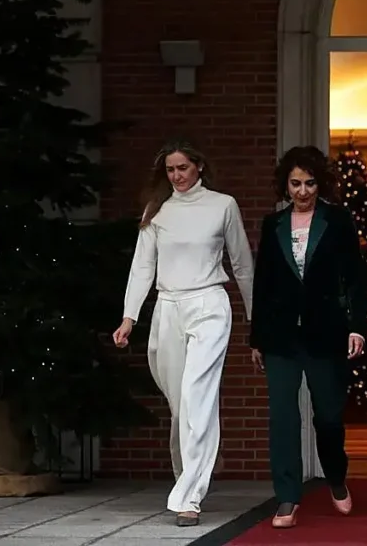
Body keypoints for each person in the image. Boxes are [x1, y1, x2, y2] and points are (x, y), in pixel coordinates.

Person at [112, 138, 254, 527]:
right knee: (180, 404)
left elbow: (241, 264)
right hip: (167, 307)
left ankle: (190, 495)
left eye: (183, 168)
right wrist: (129, 317)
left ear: (199, 167)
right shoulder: (157, 211)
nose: (176, 176)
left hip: (209, 303)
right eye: (171, 170)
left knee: (196, 394)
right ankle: (189, 470)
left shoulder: (222, 205)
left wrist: (253, 317)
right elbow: (142, 266)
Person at [249, 146, 367, 529]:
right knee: (283, 416)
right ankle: (287, 497)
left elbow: (355, 278)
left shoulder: (338, 220)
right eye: (296, 183)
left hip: (326, 331)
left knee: (329, 416)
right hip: (280, 335)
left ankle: (335, 476)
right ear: (285, 184)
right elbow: (263, 284)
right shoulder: (273, 224)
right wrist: (256, 338)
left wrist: (357, 325)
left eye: (310, 183)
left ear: (321, 182)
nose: (303, 191)